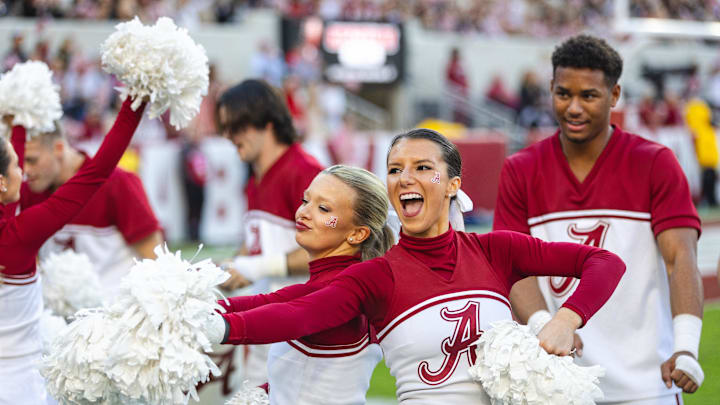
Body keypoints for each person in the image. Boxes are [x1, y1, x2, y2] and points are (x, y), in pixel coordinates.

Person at [206, 128, 626, 403]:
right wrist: (211, 323)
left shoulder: (496, 251)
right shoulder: (376, 276)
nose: (406, 178)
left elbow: (603, 262)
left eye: (423, 168)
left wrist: (566, 319)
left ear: (453, 185)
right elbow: (297, 308)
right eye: (395, 170)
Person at [493, 35, 705, 404]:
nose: (574, 107)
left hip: (646, 386)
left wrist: (686, 347)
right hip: (556, 384)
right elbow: (511, 267)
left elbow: (680, 258)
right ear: (550, 89)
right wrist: (547, 327)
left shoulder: (654, 162)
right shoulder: (520, 169)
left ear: (615, 94)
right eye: (563, 94)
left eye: (588, 95)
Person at [0, 97, 146, 404]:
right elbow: (98, 171)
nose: (23, 173)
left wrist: (21, 116)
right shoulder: (17, 235)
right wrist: (136, 101)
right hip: (22, 388)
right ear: (2, 182)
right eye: (17, 163)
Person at [219, 165, 393, 404]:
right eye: (305, 200)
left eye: (323, 208)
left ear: (357, 234)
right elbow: (267, 302)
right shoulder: (324, 284)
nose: (303, 212)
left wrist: (206, 327)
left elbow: (294, 316)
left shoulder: (348, 289)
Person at [210, 79, 323, 392]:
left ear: (267, 122)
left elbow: (329, 250)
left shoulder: (304, 172)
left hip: (302, 330)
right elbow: (257, 244)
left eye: (237, 126)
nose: (228, 136)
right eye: (225, 127)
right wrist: (225, 268)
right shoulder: (255, 179)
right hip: (266, 325)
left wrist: (255, 268)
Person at [17, 121, 162, 297]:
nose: (25, 170)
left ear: (59, 148)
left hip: (116, 314)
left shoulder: (117, 183)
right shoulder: (27, 191)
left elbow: (155, 258)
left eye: (32, 160)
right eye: (20, 161)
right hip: (55, 317)